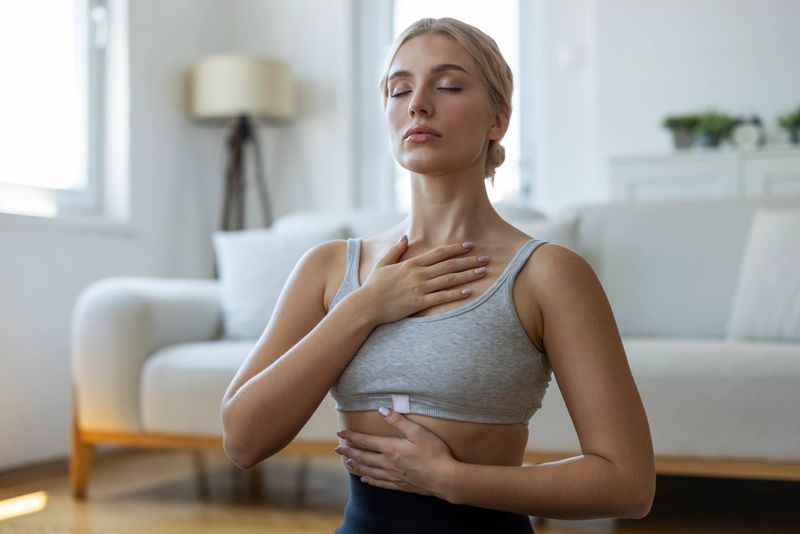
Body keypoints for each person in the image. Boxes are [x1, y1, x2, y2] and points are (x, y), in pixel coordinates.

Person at [221, 17, 656, 533]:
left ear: (498, 118)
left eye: (448, 86)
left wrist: (452, 480)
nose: (418, 105)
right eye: (399, 89)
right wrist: (363, 307)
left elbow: (627, 484)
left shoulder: (547, 274)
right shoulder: (328, 267)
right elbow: (242, 441)